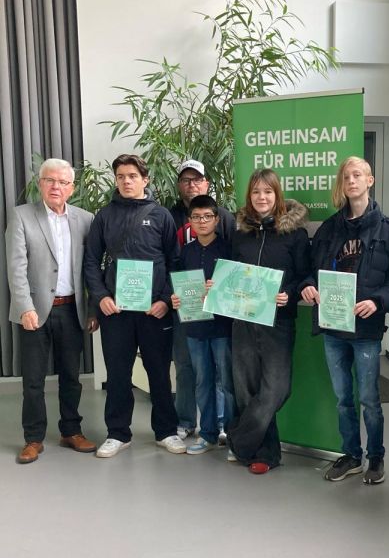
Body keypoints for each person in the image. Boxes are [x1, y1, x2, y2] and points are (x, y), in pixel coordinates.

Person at [301, 156, 389, 485]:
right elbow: (310, 270)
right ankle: (351, 455)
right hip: (333, 328)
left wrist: (377, 301)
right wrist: (308, 286)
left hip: (366, 331)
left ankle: (376, 457)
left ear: (369, 181)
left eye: (357, 175)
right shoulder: (329, 229)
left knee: (369, 399)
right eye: (346, 176)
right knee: (343, 399)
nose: (351, 181)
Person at [84, 154, 185, 457]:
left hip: (154, 311)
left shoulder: (161, 215)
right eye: (121, 177)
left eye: (132, 176)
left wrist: (165, 301)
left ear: (145, 179)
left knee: (159, 373)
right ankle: (118, 433)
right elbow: (91, 262)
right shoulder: (104, 216)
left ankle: (166, 431)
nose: (126, 181)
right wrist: (101, 297)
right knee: (118, 374)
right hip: (116, 311)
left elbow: (175, 262)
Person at [5, 158, 97, 464]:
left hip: (72, 310)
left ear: (72, 188)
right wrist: (24, 307)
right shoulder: (21, 216)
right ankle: (33, 438)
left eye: (62, 182)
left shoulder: (86, 219)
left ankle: (71, 430)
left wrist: (93, 309)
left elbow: (92, 269)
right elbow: (16, 268)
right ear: (40, 183)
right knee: (33, 380)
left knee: (71, 376)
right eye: (50, 180)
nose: (56, 186)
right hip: (34, 311)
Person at [227, 168, 310, 474]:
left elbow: (304, 275)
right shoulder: (239, 233)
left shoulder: (295, 234)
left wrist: (290, 293)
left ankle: (237, 438)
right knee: (246, 389)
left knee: (277, 388)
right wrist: (217, 285)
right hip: (243, 320)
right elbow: (230, 272)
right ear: (249, 196)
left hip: (279, 320)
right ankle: (265, 454)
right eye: (256, 192)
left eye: (268, 192)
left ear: (278, 195)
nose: (261, 197)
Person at [169, 159, 235, 440]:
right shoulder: (172, 224)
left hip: (220, 320)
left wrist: (221, 286)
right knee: (193, 373)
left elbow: (236, 272)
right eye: (186, 180)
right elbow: (172, 270)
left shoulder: (227, 230)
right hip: (190, 318)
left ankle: (226, 428)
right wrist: (173, 296)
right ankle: (195, 426)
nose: (192, 184)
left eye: (197, 179)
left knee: (224, 376)